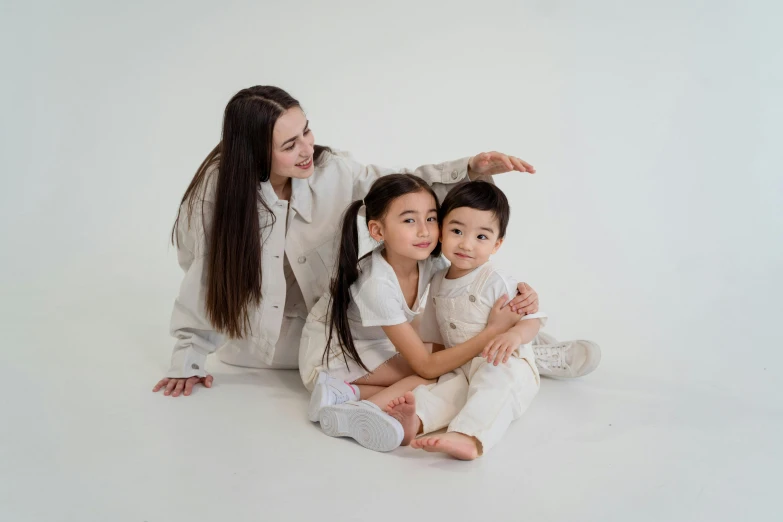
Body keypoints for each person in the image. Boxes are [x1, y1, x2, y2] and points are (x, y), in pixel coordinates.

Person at [152, 85, 545, 398]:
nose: (307, 148)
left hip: (343, 324)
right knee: (435, 360)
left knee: (428, 262)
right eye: (289, 145)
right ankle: (522, 354)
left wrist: (469, 170)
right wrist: (188, 359)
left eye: (306, 130)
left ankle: (528, 342)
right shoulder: (216, 195)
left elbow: (399, 186)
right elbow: (204, 276)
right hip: (279, 346)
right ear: (253, 151)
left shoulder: (329, 169)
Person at [299, 175, 524, 451]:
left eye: (431, 219)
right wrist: (492, 332)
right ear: (378, 231)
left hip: (371, 347)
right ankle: (364, 408)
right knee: (436, 371)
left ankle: (345, 394)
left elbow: (469, 284)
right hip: (331, 357)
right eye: (409, 220)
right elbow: (425, 366)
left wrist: (524, 295)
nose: (424, 231)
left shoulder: (427, 260)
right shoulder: (376, 284)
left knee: (447, 357)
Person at [391, 182, 598, 459]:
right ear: (441, 232)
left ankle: (470, 437)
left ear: (497, 244)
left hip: (503, 361)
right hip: (462, 365)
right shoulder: (438, 281)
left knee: (493, 387)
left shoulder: (495, 280)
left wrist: (514, 336)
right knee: (444, 392)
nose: (466, 243)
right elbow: (437, 336)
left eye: (481, 237)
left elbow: (532, 318)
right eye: (457, 231)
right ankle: (412, 422)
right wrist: (438, 372)